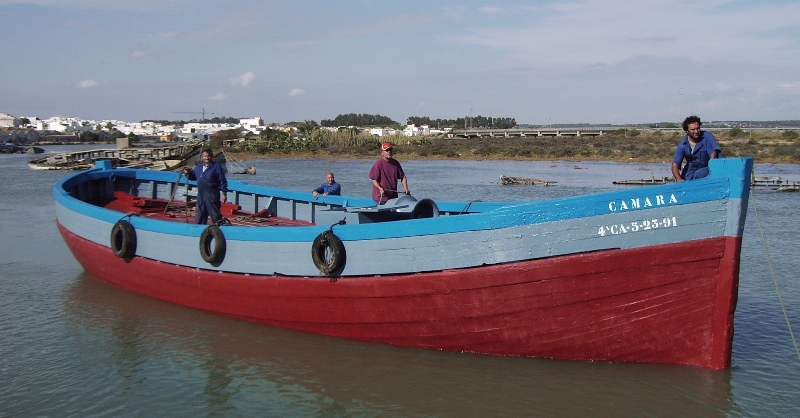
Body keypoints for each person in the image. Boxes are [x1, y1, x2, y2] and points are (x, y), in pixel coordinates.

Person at [184, 148, 228, 225]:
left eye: (208, 156)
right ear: (202, 157)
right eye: (205, 156)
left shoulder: (216, 167)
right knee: (200, 215)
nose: (207, 158)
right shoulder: (199, 166)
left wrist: (224, 193)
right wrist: (188, 173)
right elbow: (194, 177)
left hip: (212, 194)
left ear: (212, 156)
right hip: (201, 194)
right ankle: (200, 231)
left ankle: (218, 229)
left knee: (215, 215)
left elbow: (222, 180)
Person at [671, 115, 722, 181]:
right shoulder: (683, 144)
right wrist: (679, 179)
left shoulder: (707, 137)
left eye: (698, 128)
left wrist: (712, 168)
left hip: (708, 167)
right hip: (691, 170)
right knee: (684, 180)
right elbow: (675, 165)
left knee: (698, 174)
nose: (696, 131)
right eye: (693, 129)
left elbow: (713, 154)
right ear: (686, 131)